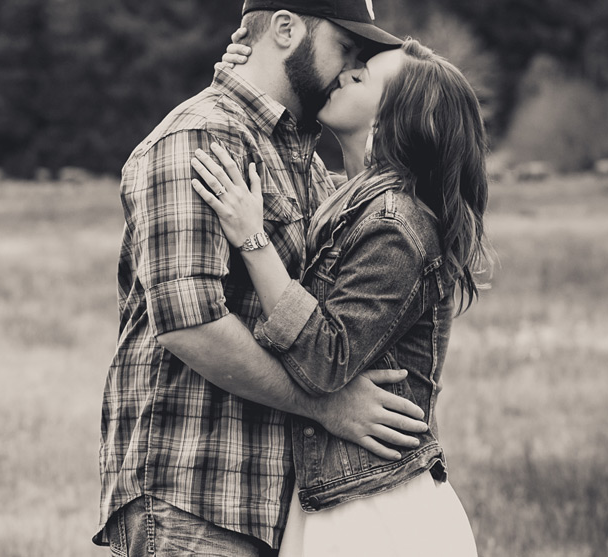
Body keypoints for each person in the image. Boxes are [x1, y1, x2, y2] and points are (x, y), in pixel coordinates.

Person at [96, 0, 433, 556]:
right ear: (286, 30)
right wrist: (330, 405)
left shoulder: (303, 158)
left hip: (279, 508)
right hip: (195, 499)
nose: (355, 67)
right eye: (347, 47)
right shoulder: (200, 138)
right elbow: (190, 326)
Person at [191, 36, 490, 556]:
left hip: (377, 510)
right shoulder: (342, 198)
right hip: (342, 499)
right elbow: (277, 137)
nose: (347, 74)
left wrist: (252, 239)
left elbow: (327, 359)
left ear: (398, 118)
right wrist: (245, 74)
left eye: (364, 76)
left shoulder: (396, 225)